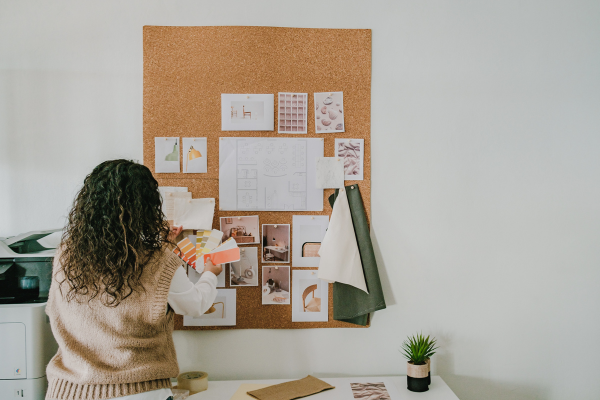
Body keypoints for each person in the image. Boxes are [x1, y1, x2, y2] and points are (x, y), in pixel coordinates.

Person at [45, 160, 221, 400]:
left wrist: (160, 245)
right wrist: (211, 272)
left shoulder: (66, 254)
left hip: (70, 391)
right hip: (137, 391)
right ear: (147, 208)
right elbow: (196, 304)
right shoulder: (158, 260)